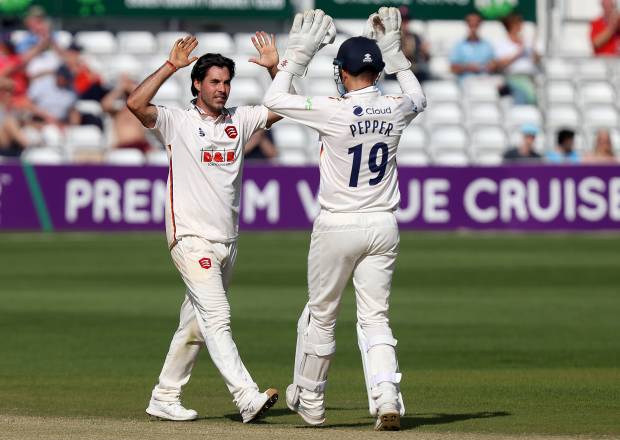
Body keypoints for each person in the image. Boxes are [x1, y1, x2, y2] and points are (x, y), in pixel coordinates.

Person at [263, 8, 426, 431]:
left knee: (322, 314)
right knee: (375, 317)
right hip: (383, 224)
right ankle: (386, 395)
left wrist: (295, 59)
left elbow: (274, 99)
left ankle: (313, 402)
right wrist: (397, 56)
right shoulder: (394, 106)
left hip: (338, 223)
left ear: (344, 72)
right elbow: (420, 98)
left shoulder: (333, 110)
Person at [127, 33, 284, 423]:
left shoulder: (240, 120)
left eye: (226, 82)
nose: (222, 89)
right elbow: (135, 104)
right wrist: (170, 66)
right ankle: (246, 396)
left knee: (195, 324)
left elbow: (288, 108)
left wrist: (275, 69)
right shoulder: (177, 121)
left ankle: (165, 395)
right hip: (190, 237)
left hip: (227, 240)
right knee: (217, 317)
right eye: (214, 82)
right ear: (197, 84)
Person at [494, 13, 540, 105]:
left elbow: (536, 60)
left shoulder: (527, 42)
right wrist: (518, 53)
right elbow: (500, 64)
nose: (520, 27)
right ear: (510, 26)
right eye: (517, 25)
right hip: (512, 77)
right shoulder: (502, 44)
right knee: (523, 95)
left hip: (529, 77)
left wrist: (533, 48)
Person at [101, 74, 151, 152]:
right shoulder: (118, 111)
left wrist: (131, 87)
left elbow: (146, 99)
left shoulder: (140, 109)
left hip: (140, 146)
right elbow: (105, 105)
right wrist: (120, 88)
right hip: (123, 146)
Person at [450, 12, 496, 81]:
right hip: (466, 81)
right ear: (467, 24)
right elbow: (453, 68)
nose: (473, 25)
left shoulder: (487, 45)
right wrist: (467, 67)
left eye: (476, 23)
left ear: (480, 24)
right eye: (471, 23)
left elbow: (494, 64)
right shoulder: (458, 45)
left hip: (485, 79)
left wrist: (489, 67)